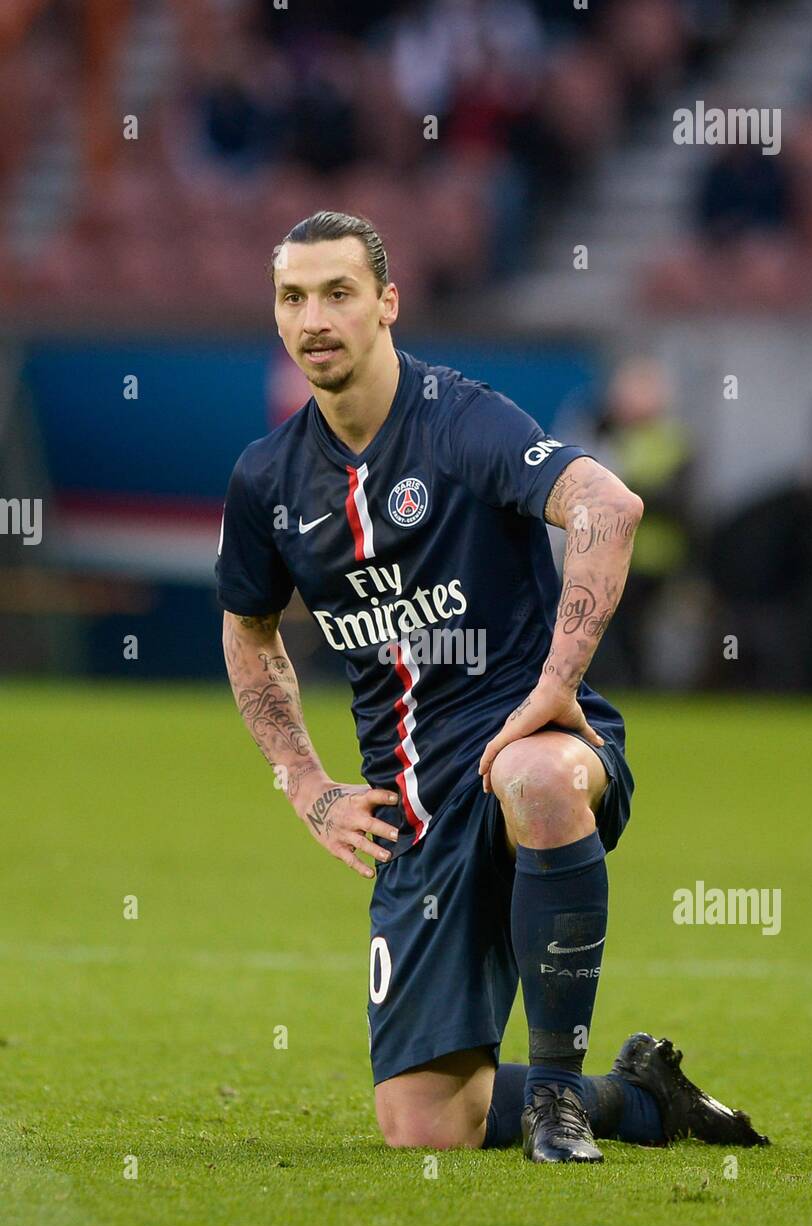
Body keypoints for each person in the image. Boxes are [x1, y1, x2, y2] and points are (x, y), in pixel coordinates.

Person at [216, 210, 768, 1161]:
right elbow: (248, 628)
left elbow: (608, 502)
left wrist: (559, 684)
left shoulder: (458, 419)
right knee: (425, 1125)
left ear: (386, 303)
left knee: (538, 780)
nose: (314, 317)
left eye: (338, 293)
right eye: (293, 297)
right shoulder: (267, 480)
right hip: (414, 812)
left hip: (530, 742)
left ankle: (554, 1095)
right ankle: (639, 1099)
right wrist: (307, 785)